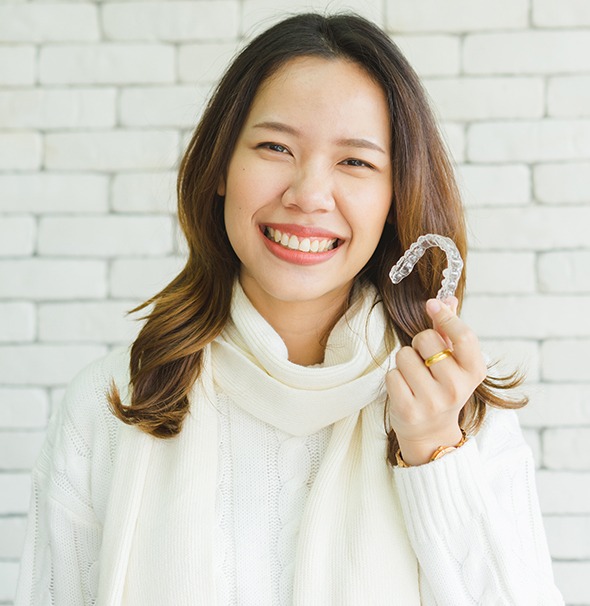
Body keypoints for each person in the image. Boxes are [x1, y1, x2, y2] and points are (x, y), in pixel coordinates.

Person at [15, 12, 564, 606]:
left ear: (394, 197)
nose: (307, 194)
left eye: (355, 161)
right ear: (221, 167)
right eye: (276, 147)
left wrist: (434, 454)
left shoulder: (465, 421)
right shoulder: (109, 408)